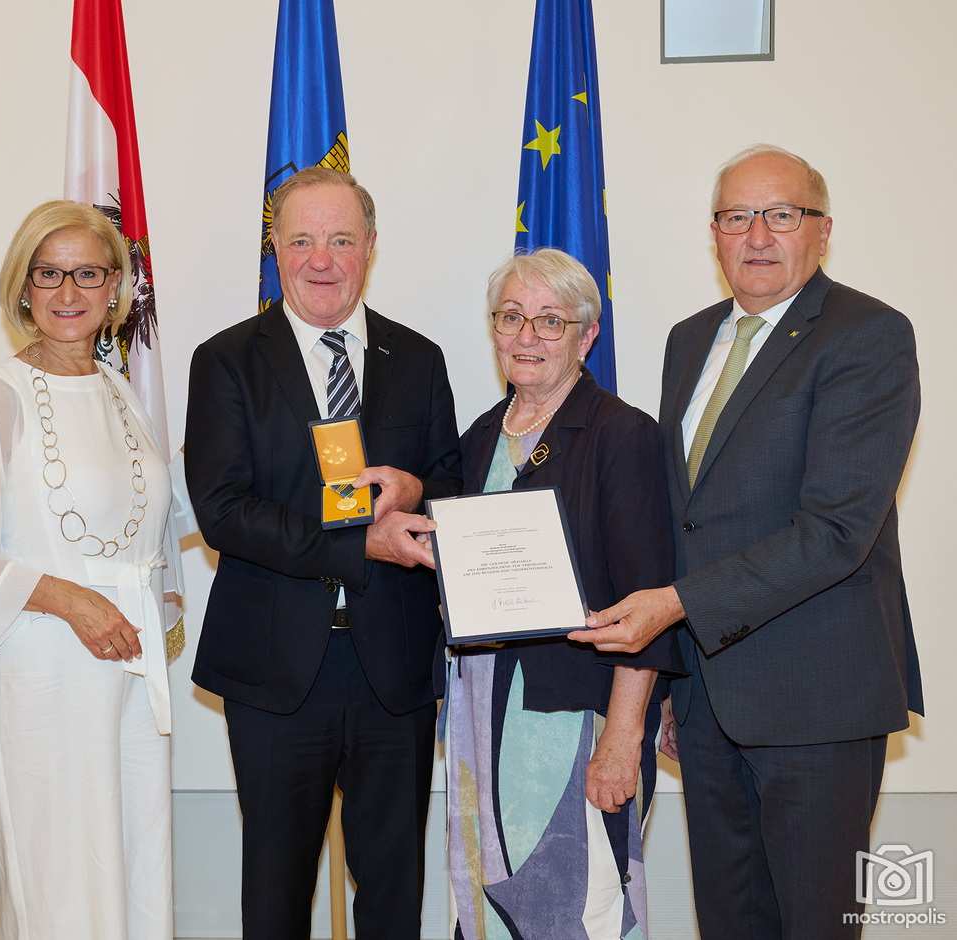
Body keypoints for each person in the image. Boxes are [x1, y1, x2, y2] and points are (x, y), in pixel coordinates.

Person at [570, 145, 923, 938]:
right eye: (736, 217)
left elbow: (835, 531)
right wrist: (668, 679)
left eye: (781, 214)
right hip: (707, 700)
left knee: (815, 925)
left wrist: (674, 605)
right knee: (729, 922)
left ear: (822, 231)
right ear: (714, 233)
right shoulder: (689, 339)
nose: (757, 235)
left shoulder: (867, 335)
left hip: (816, 696)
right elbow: (680, 518)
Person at [184, 166, 462, 939]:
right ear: (274, 248)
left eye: (341, 239)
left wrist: (414, 487)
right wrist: (356, 546)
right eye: (301, 239)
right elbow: (224, 511)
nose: (321, 259)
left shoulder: (421, 358)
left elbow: (451, 487)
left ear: (370, 247)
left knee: (393, 890)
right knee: (275, 894)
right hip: (275, 671)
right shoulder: (227, 360)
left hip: (393, 668)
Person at [0, 200, 180, 939]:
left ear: (115, 291)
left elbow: (143, 519)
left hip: (129, 670)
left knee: (134, 865)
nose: (69, 293)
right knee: (61, 877)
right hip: (47, 668)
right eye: (50, 273)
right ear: (24, 288)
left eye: (88, 274)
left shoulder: (117, 389)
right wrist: (69, 599)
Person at [443, 249, 680, 939]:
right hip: (480, 712)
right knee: (492, 904)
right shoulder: (480, 436)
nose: (526, 336)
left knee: (579, 908)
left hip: (579, 721)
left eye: (550, 320)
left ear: (587, 334)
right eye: (512, 317)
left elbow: (648, 600)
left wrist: (623, 740)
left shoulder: (620, 434)